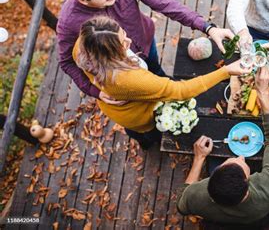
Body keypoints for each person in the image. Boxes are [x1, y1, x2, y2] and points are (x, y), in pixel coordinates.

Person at [58, 0, 234, 106]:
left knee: (158, 73)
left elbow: (164, 3)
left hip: (146, 44)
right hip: (121, 71)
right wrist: (95, 91)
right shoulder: (69, 21)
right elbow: (66, 61)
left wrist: (208, 27)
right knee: (142, 103)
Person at [72, 16, 250, 149]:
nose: (129, 41)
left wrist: (95, 91)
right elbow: (179, 91)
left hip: (112, 102)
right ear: (108, 55)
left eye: (124, 34)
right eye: (122, 43)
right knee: (149, 135)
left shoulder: (85, 44)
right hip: (137, 115)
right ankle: (148, 143)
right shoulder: (127, 79)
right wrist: (225, 71)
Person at [176, 67, 269, 225]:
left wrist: (199, 158)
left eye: (230, 162)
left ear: (209, 182)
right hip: (259, 214)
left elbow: (181, 202)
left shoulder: (197, 197)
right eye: (243, 163)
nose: (241, 157)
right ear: (248, 186)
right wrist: (263, 94)